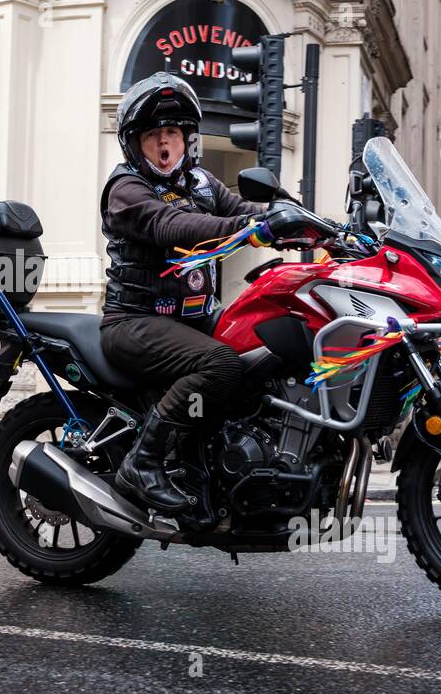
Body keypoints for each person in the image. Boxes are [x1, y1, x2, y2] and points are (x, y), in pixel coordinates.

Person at [98, 72, 323, 519]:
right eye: (153, 136)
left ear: (187, 139)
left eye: (173, 133)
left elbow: (246, 210)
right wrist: (250, 230)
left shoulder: (202, 183)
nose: (165, 145)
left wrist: (308, 224)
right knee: (220, 364)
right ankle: (142, 464)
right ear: (134, 143)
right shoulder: (126, 189)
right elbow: (171, 226)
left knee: (265, 348)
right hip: (134, 322)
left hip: (194, 318)